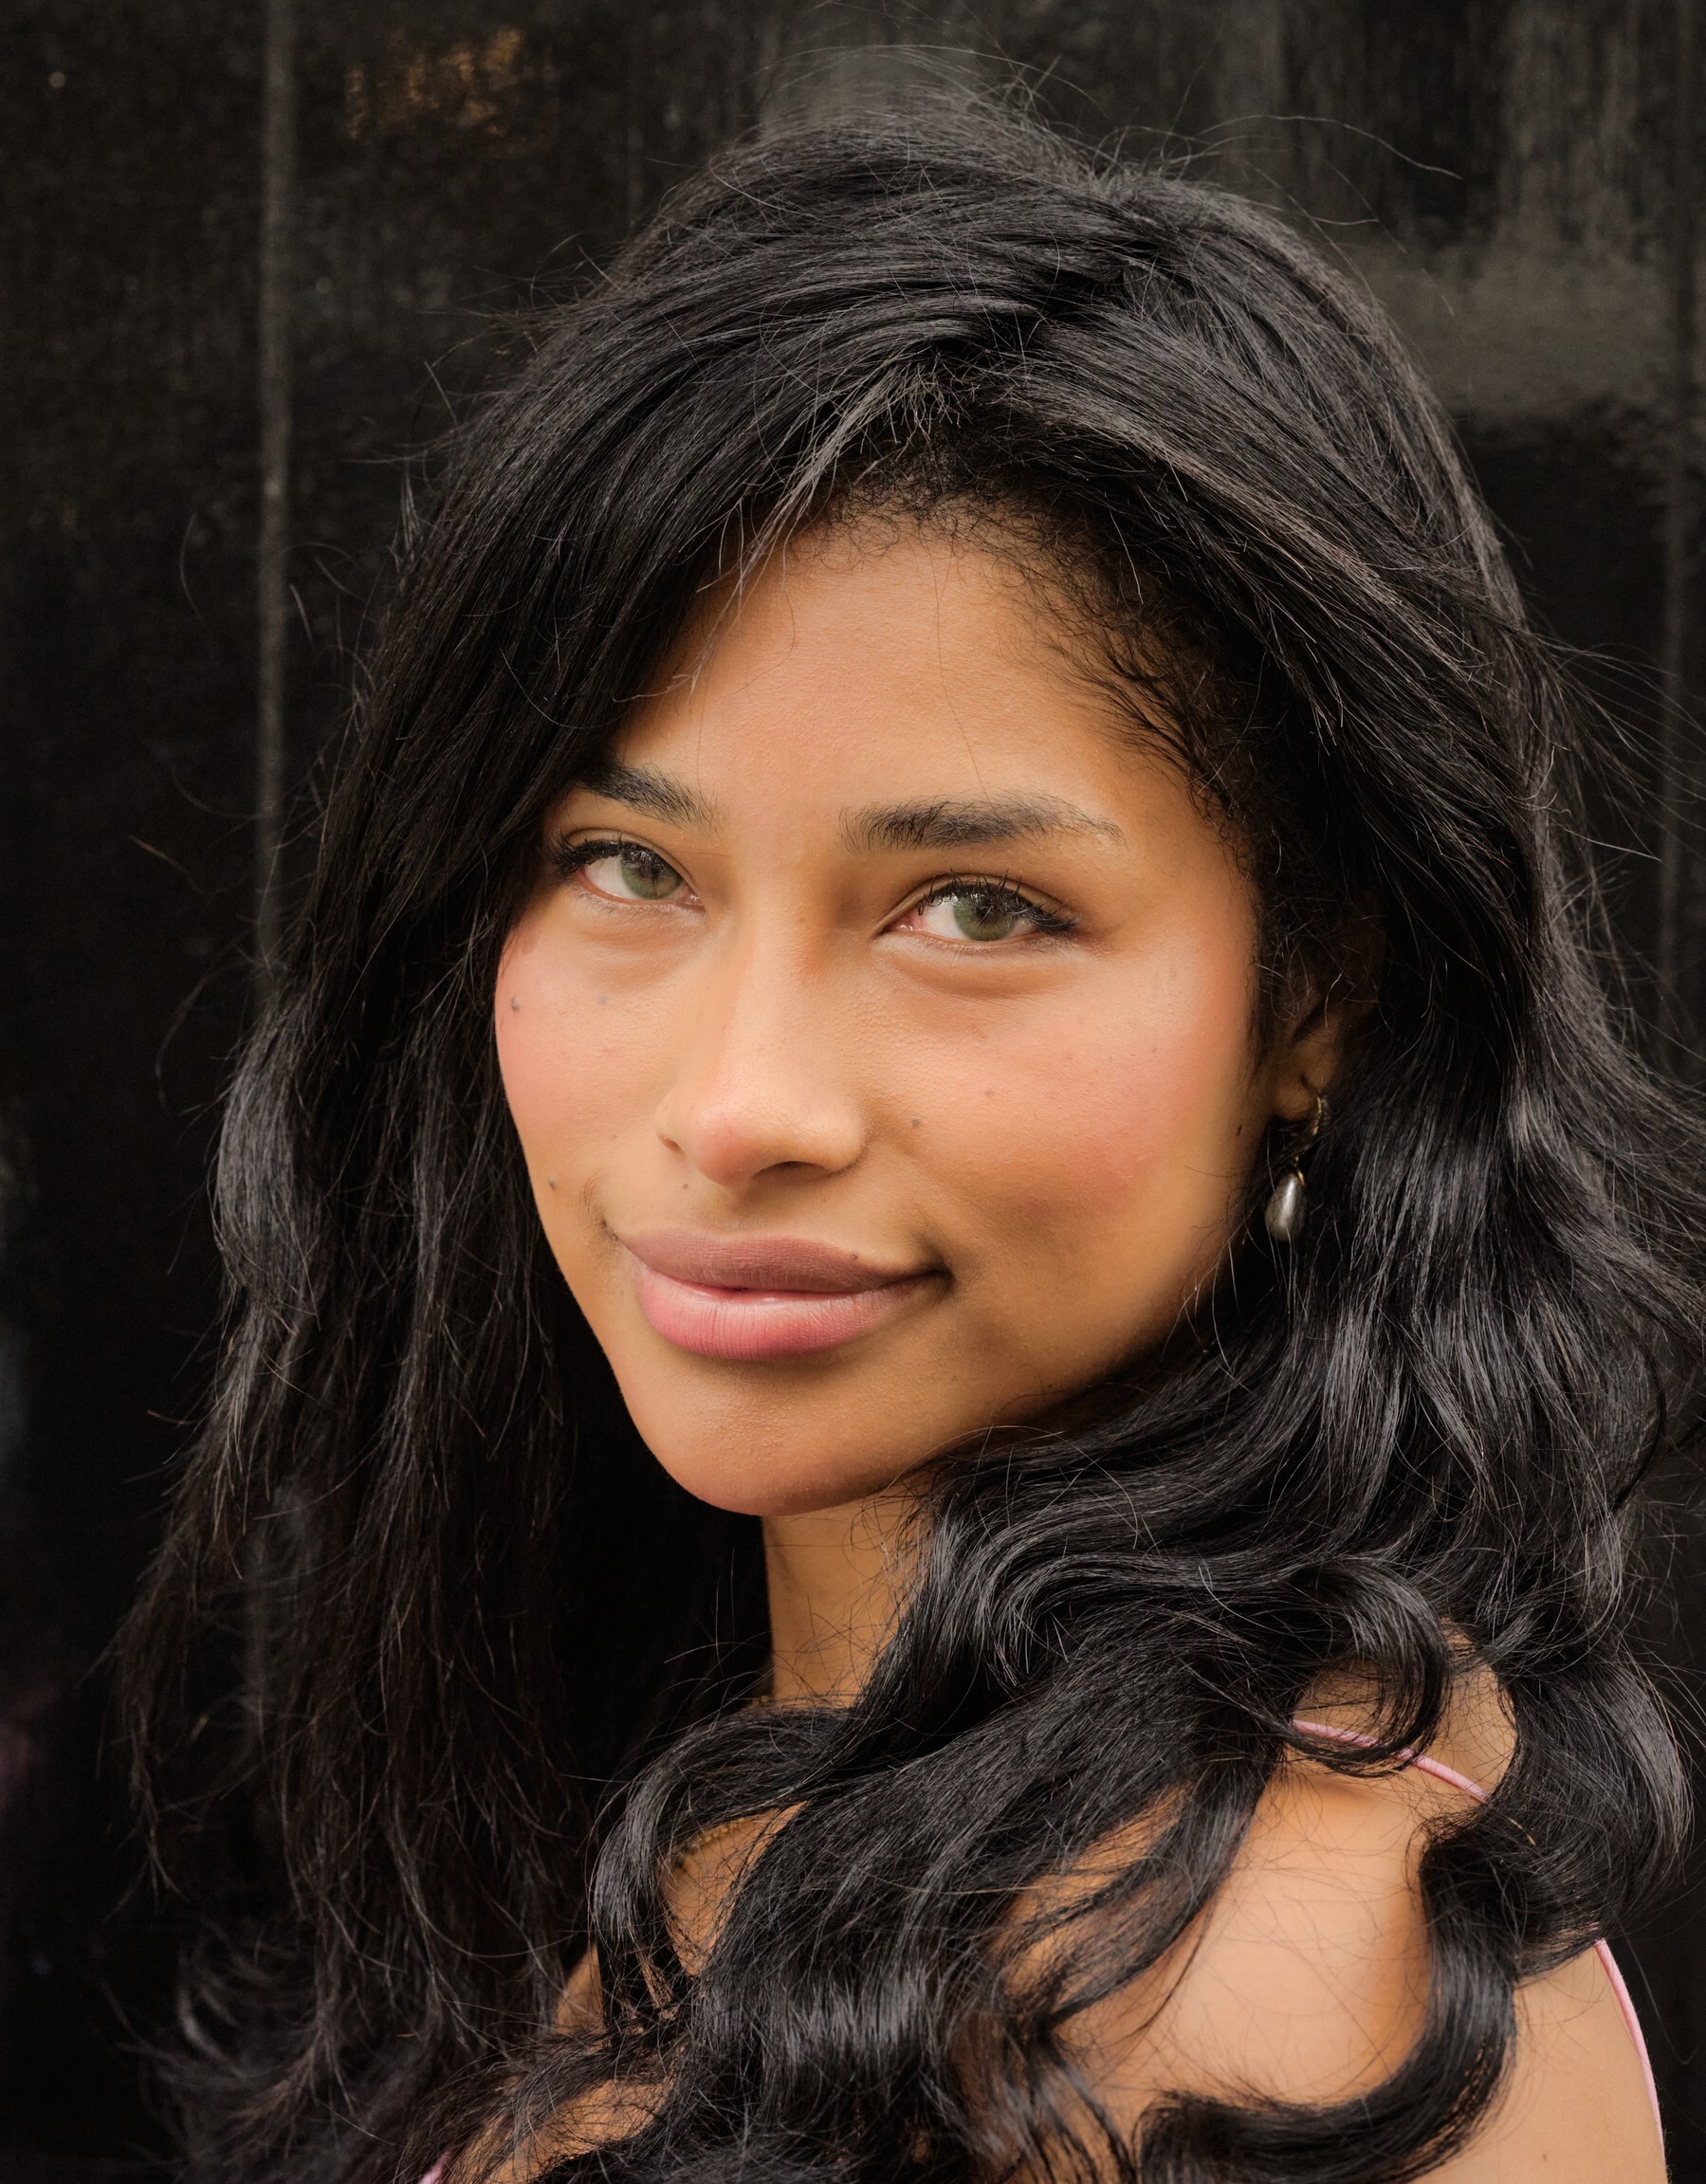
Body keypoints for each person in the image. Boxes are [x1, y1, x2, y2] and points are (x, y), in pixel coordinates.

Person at [122, 106, 1703, 2184]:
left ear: (1320, 998)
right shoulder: (739, 1763)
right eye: (625, 865)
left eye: (976, 909)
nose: (741, 1105)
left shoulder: (1243, 1998)